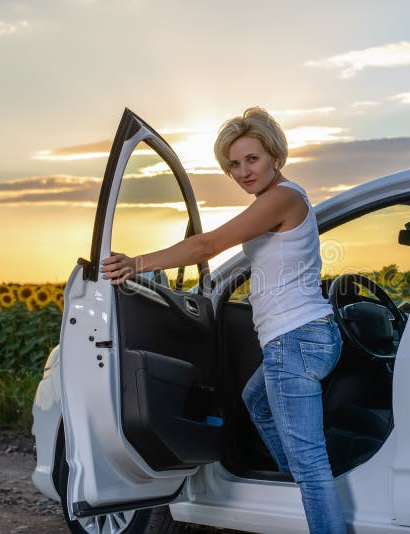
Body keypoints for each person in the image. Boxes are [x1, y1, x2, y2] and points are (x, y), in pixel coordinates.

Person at [101, 107, 345, 534]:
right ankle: (306, 489)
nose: (243, 171)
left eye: (252, 159)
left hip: (295, 339)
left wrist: (136, 263)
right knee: (257, 403)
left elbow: (208, 245)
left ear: (274, 155)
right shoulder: (283, 199)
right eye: (233, 164)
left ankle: (313, 492)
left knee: (311, 465)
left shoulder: (282, 198)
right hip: (299, 337)